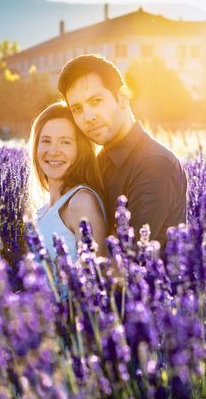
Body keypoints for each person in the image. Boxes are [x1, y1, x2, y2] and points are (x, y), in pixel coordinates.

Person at [57, 54, 187, 248]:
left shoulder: (154, 164)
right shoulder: (100, 161)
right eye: (77, 109)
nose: (87, 116)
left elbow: (133, 259)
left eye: (95, 101)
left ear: (123, 99)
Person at [28, 101, 107, 261]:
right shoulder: (45, 209)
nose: (53, 151)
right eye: (46, 141)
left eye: (65, 142)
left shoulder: (81, 202)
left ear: (81, 151)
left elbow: (95, 278)